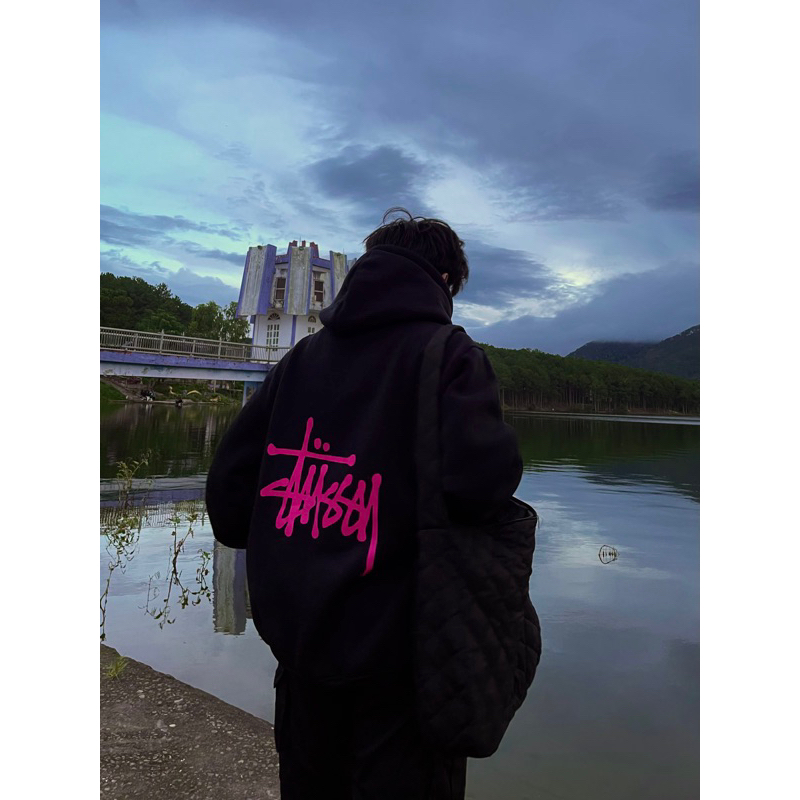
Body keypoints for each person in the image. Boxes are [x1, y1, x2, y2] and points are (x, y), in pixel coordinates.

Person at [206, 208, 523, 799]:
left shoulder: (301, 359)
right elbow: (483, 487)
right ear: (445, 281)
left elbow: (229, 498)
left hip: (301, 653)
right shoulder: (449, 356)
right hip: (404, 661)